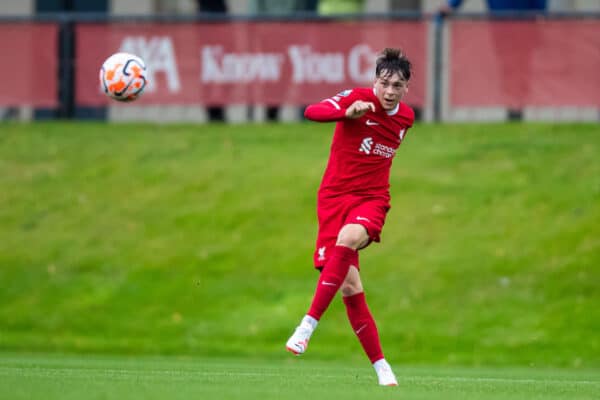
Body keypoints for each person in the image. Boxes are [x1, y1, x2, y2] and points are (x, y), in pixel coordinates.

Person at [285, 48, 414, 386]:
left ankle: (307, 325)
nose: (389, 91)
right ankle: (381, 366)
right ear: (375, 81)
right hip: (333, 198)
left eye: (397, 85)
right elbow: (311, 111)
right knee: (350, 286)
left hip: (372, 200)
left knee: (348, 239)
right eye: (384, 83)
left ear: (405, 88)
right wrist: (346, 113)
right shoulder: (356, 99)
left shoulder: (407, 118)